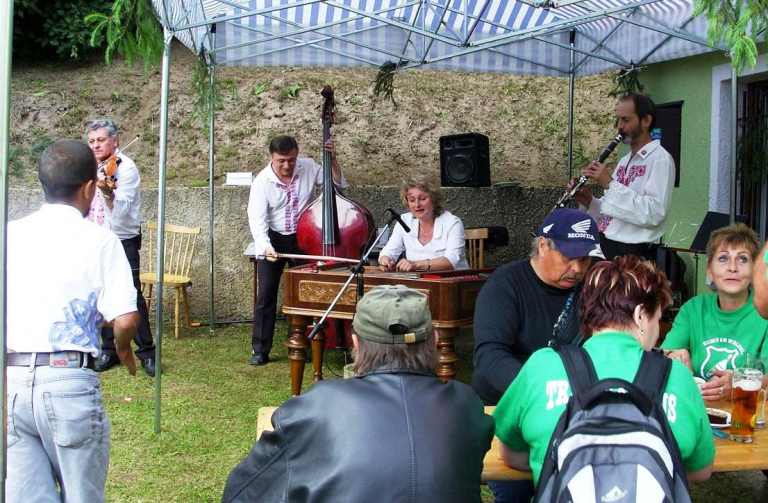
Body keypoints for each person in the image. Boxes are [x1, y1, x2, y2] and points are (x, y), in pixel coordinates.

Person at [221, 285, 494, 502]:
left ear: (356, 344)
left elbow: (242, 492)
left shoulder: (318, 405)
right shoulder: (466, 405)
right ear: (434, 340)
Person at [493, 256, 714, 492]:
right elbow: (701, 470)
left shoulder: (542, 365)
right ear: (641, 315)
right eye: (658, 319)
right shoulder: (677, 375)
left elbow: (509, 452)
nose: (657, 330)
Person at [6, 140, 139, 502]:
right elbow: (125, 318)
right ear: (89, 188)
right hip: (68, 380)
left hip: (11, 379)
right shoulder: (100, 240)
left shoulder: (9, 233)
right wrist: (123, 348)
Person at [472, 208, 603, 503]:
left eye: (585, 259)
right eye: (569, 257)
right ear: (543, 245)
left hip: (576, 410)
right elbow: (489, 357)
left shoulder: (591, 289)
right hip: (508, 409)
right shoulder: (505, 285)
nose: (578, 268)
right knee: (518, 491)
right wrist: (545, 390)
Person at [247, 135, 347, 365]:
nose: (287, 165)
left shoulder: (309, 166)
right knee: (266, 295)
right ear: (271, 157)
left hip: (305, 236)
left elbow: (338, 184)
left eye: (291, 160)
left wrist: (332, 159)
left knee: (307, 292)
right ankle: (260, 349)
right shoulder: (262, 183)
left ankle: (304, 340)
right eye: (281, 161)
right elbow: (257, 220)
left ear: (297, 154)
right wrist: (266, 248)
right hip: (274, 238)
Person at [662, 223, 768, 401]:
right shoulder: (693, 309)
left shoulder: (764, 313)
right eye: (723, 259)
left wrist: (739, 384)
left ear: (754, 270)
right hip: (698, 410)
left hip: (746, 417)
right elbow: (663, 355)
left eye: (742, 259)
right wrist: (674, 355)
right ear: (709, 270)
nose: (732, 267)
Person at [86, 119, 156, 377]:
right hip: (96, 235)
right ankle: (108, 349)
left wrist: (107, 192)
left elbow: (124, 210)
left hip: (122, 237)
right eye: (92, 141)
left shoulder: (126, 169)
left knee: (131, 293)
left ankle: (147, 351)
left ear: (115, 141)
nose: (96, 146)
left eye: (101, 140)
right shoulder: (89, 167)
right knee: (99, 290)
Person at [571, 92, 675, 261]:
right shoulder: (625, 160)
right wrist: (588, 200)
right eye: (618, 120)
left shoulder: (660, 159)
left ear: (646, 121)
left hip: (633, 254)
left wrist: (610, 184)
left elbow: (654, 213)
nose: (619, 126)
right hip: (606, 245)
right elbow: (613, 212)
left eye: (626, 120)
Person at [378, 174, 469, 272]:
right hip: (419, 282)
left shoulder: (452, 222)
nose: (417, 205)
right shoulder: (404, 221)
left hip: (453, 282)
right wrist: (385, 260)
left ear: (434, 199)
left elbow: (451, 261)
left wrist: (416, 264)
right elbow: (387, 252)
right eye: (412, 200)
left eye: (422, 199)